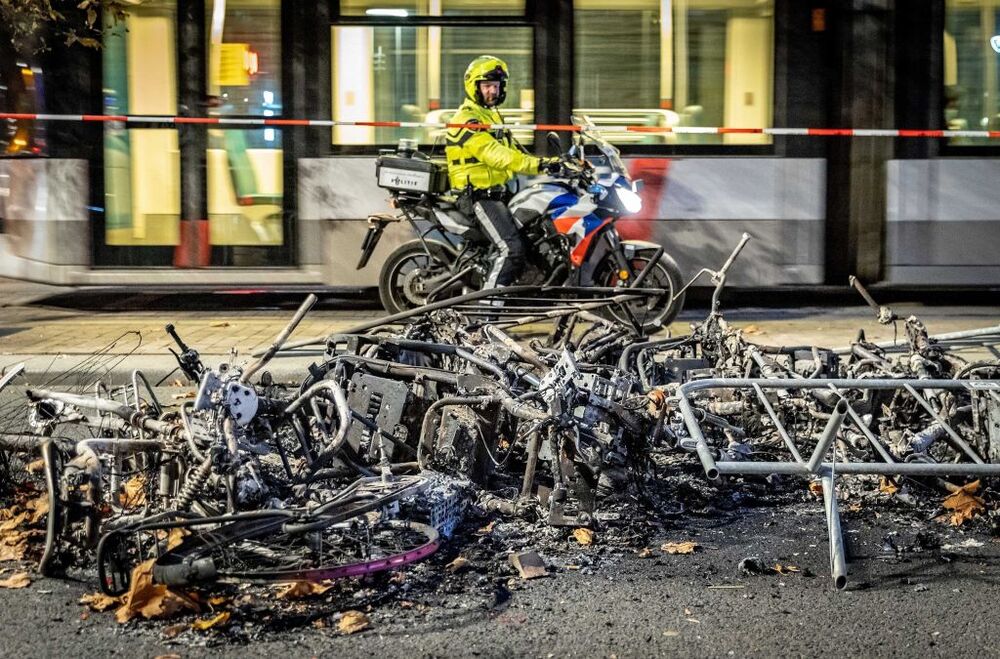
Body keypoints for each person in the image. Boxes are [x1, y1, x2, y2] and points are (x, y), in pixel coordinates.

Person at [445, 55, 562, 288]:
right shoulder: (466, 120)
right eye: (487, 86)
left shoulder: (492, 116)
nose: (493, 92)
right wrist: (538, 165)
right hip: (477, 196)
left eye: (496, 87)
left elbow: (515, 151)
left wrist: (556, 162)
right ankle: (487, 310)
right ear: (474, 87)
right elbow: (495, 154)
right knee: (512, 250)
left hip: (497, 192)